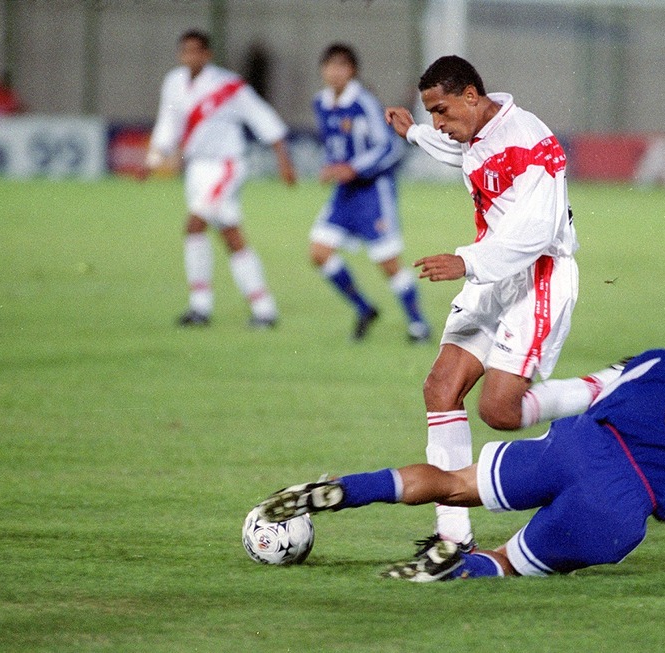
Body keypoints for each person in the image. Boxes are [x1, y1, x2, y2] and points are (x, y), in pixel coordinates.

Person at [257, 300, 665, 582]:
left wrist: (525, 407)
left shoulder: (660, 361)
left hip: (577, 447)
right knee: (503, 563)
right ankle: (438, 572)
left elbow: (586, 390)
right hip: (620, 505)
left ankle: (341, 489)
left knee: (453, 483)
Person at [384, 55, 598, 550]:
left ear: (471, 96)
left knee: (499, 411)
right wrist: (416, 134)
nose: (440, 122)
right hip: (490, 274)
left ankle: (602, 390)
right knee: (441, 388)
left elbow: (539, 233)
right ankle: (452, 537)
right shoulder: (477, 132)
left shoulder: (530, 141)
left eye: (441, 110)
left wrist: (466, 261)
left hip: (536, 275)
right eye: (432, 113)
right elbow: (463, 152)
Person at [145, 30, 296, 328]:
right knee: (230, 235)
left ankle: (200, 306)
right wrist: (153, 160)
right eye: (185, 51)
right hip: (197, 169)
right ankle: (263, 309)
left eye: (196, 51)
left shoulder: (227, 85)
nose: (191, 57)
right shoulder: (174, 82)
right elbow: (169, 121)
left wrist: (283, 161)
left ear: (207, 54)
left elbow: (261, 116)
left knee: (194, 225)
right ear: (180, 55)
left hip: (226, 166)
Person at [310, 43, 430, 342]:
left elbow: (388, 146)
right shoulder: (321, 103)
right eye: (330, 66)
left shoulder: (364, 103)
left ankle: (418, 325)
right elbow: (335, 144)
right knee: (319, 253)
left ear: (352, 71)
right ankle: (364, 308)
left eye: (341, 66)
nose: (334, 72)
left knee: (387, 263)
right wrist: (332, 167)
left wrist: (352, 167)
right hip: (344, 194)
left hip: (373, 192)